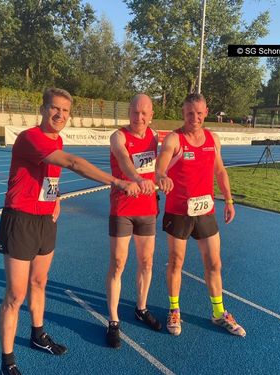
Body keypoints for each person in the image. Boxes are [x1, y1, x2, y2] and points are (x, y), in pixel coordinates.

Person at [0, 88, 140, 375]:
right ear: (43, 108)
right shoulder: (30, 138)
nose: (60, 115)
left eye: (65, 110)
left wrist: (56, 197)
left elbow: (50, 176)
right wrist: (118, 181)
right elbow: (73, 163)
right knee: (15, 295)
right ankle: (7, 361)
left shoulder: (56, 139)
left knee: (40, 282)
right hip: (20, 220)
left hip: (45, 220)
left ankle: (38, 335)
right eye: (55, 108)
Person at [156, 93, 245, 337]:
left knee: (214, 263)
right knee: (176, 262)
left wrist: (228, 199)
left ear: (206, 112)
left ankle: (219, 313)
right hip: (179, 212)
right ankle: (174, 309)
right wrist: (161, 176)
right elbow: (161, 164)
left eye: (198, 113)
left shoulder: (212, 139)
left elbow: (220, 171)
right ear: (183, 114)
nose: (194, 118)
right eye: (189, 113)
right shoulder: (175, 139)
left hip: (205, 211)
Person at [105, 94, 162, 348]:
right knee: (118, 263)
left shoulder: (155, 136)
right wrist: (138, 179)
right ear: (129, 112)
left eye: (144, 113)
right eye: (135, 112)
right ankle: (113, 320)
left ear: (150, 114)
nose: (139, 118)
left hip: (148, 209)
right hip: (123, 208)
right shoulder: (118, 137)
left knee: (147, 262)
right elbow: (123, 160)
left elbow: (163, 163)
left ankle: (141, 308)